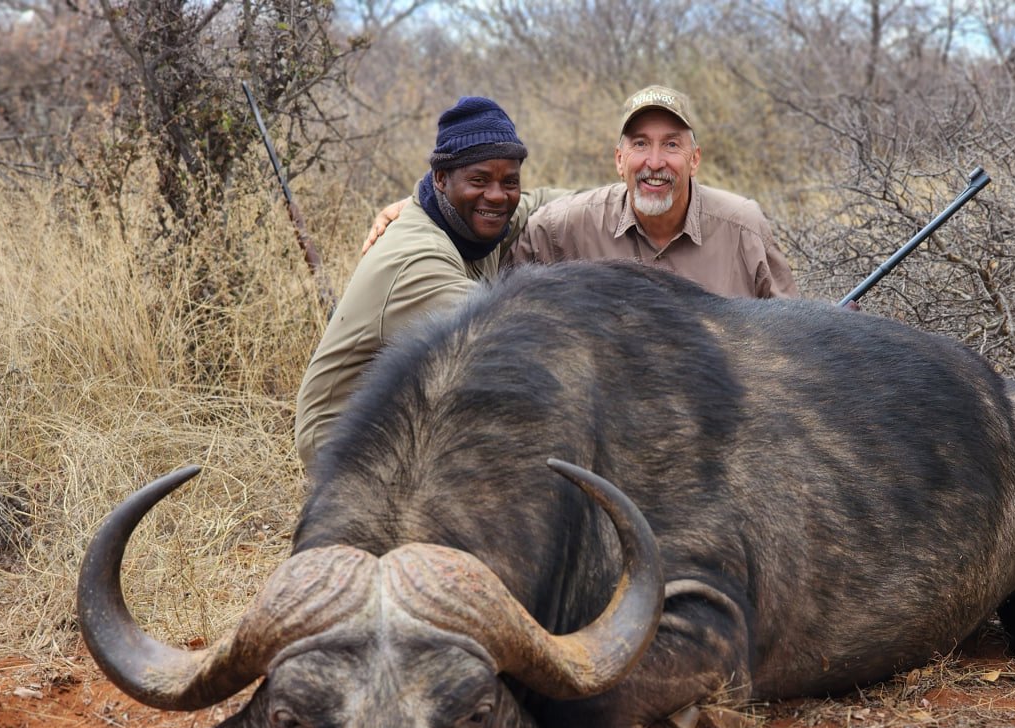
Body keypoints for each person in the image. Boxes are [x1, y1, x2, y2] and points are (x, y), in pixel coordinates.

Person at [294, 96, 565, 470]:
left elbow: (558, 206)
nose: (498, 196)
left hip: (410, 412)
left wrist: (641, 196)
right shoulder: (416, 261)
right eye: (479, 180)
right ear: (440, 178)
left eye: (510, 182)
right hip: (350, 443)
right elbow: (507, 337)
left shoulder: (474, 216)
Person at [507, 85, 798, 299]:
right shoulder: (561, 228)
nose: (655, 163)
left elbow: (791, 338)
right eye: (640, 144)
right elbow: (506, 310)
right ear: (620, 160)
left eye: (671, 145)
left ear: (694, 159)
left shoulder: (743, 229)